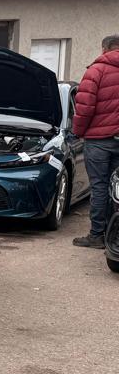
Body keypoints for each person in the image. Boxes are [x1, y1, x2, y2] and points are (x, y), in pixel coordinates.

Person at [71, 34, 119, 248]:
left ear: (104, 49)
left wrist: (79, 132)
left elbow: (84, 108)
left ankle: (97, 235)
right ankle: (114, 235)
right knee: (116, 188)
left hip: (99, 140)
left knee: (99, 186)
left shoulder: (96, 71)